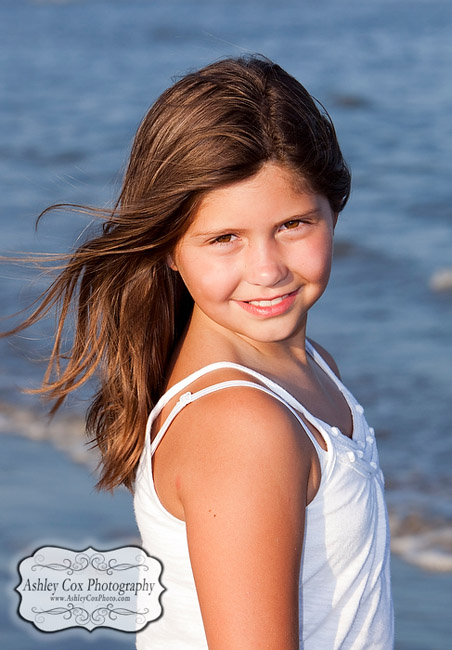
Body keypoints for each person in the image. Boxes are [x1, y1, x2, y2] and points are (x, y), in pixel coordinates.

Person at [6, 56, 393, 648]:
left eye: (292, 224)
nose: (266, 270)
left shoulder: (309, 367)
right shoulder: (242, 425)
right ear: (165, 246)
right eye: (224, 238)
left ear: (333, 209)